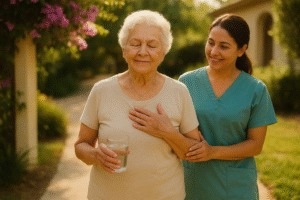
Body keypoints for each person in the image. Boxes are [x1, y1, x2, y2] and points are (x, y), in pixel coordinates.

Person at [129, 14, 277, 199]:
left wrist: (213, 152)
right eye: (211, 43)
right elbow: (174, 133)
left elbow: (255, 145)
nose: (214, 51)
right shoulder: (186, 82)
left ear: (241, 50)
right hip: (192, 185)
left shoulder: (256, 90)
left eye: (223, 46)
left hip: (236, 189)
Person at [74, 10, 201, 200]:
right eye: (135, 44)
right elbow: (81, 146)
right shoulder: (102, 90)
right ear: (124, 50)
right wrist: (94, 155)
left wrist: (167, 132)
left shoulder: (179, 92)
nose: (143, 52)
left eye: (151, 45)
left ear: (163, 53)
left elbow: (192, 153)